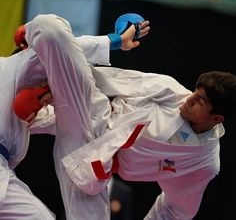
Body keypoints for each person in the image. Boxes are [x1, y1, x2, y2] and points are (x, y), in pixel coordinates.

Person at [13, 14, 236, 220]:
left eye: (199, 101)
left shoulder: (203, 162)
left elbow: (175, 209)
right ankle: (37, 57)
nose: (189, 99)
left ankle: (45, 84)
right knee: (53, 35)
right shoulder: (172, 91)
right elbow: (113, 79)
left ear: (216, 118)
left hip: (93, 170)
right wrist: (55, 77)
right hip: (92, 113)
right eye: (195, 92)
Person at [12, 13, 150, 220]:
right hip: (85, 141)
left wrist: (116, 39)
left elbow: (65, 43)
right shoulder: (28, 83)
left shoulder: (55, 72)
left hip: (116, 119)